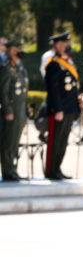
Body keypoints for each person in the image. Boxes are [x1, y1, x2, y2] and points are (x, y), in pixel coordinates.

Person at [43, 31, 80, 180]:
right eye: (64, 44)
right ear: (57, 45)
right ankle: (51, 170)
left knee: (63, 141)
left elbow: (72, 86)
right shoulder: (53, 64)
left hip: (69, 108)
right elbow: (53, 89)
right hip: (59, 109)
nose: (66, 46)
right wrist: (58, 109)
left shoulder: (68, 62)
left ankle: (58, 168)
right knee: (55, 140)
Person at [0, 39, 29, 181]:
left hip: (20, 110)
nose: (20, 51)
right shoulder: (6, 67)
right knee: (8, 142)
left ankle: (12, 168)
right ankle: (7, 170)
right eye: (17, 48)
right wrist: (8, 110)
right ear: (11, 50)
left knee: (15, 142)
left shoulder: (20, 66)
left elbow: (23, 91)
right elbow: (3, 92)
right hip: (12, 111)